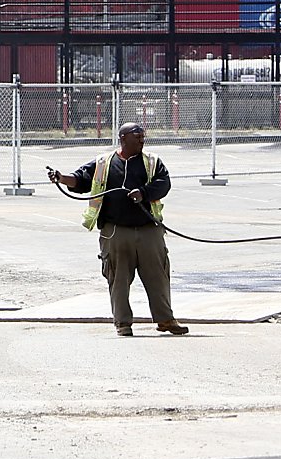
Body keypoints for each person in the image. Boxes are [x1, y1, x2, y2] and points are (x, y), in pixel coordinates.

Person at [48, 122, 189, 337]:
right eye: (137, 136)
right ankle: (123, 323)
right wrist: (61, 178)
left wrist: (143, 192)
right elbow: (81, 180)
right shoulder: (104, 163)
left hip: (148, 229)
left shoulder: (152, 162)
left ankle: (165, 320)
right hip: (115, 232)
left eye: (143, 136)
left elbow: (164, 183)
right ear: (123, 138)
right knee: (118, 279)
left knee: (158, 276)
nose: (142, 140)